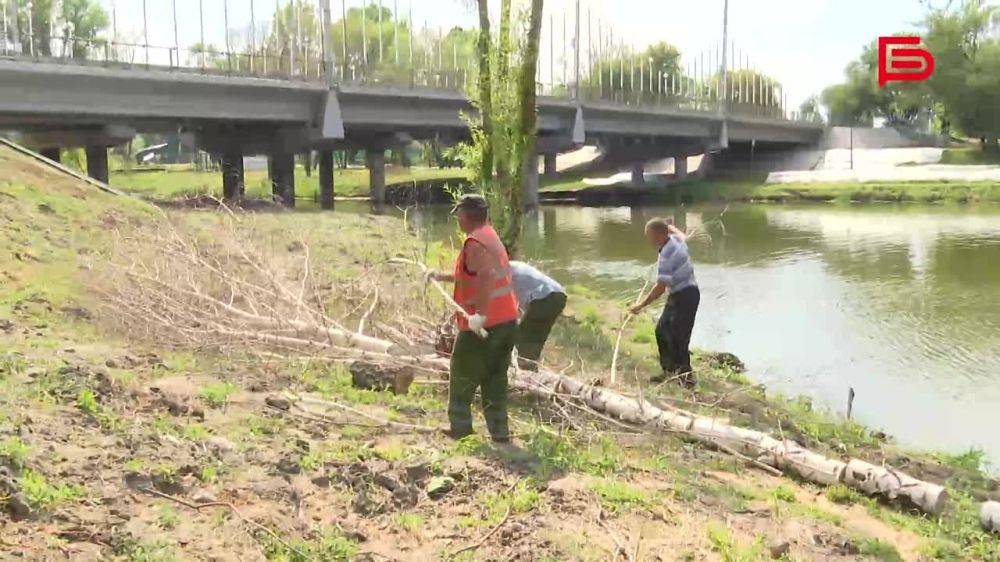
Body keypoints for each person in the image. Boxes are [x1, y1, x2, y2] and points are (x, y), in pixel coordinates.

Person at [425, 194, 519, 442]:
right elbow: (472, 275)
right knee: (495, 380)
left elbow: (487, 276)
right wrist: (439, 275)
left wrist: (480, 315)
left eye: (458, 215)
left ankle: (461, 430)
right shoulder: (489, 236)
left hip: (484, 326)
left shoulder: (474, 243)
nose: (457, 219)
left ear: (466, 216)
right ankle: (500, 435)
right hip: (507, 320)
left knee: (461, 376)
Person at [628, 217, 700, 387]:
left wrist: (640, 306)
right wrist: (669, 224)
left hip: (686, 296)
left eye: (651, 236)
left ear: (660, 235)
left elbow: (660, 287)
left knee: (679, 338)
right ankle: (668, 371)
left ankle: (686, 380)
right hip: (677, 294)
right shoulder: (676, 239)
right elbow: (679, 233)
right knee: (662, 330)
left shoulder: (667, 254)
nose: (650, 240)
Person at [510, 261, 567, 371]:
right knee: (534, 340)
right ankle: (531, 371)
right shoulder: (513, 266)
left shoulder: (502, 273)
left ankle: (528, 375)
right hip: (558, 296)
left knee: (524, 342)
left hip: (545, 298)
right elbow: (517, 308)